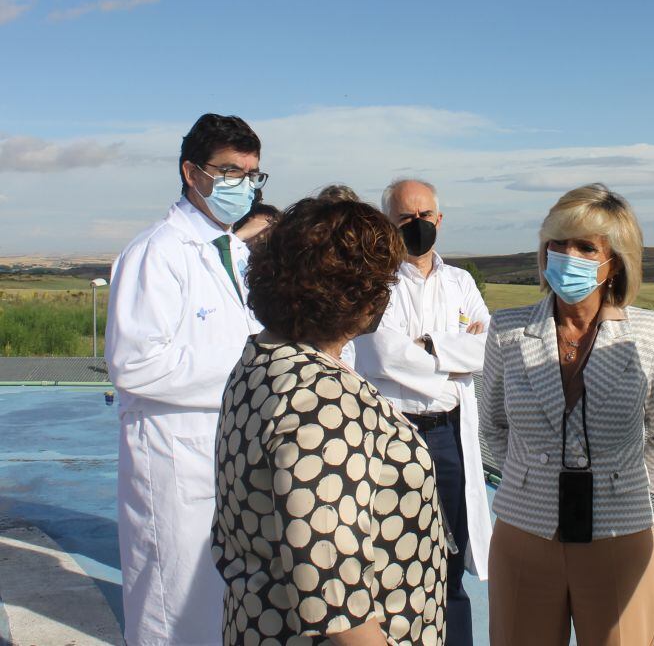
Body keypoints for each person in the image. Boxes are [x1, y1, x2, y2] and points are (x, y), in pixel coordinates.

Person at [212, 197, 447, 646]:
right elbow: (334, 589)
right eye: (382, 283)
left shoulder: (262, 361)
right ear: (358, 293)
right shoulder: (322, 401)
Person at [480, 184, 654, 645]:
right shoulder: (507, 331)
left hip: (620, 534)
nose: (565, 254)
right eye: (556, 242)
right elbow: (492, 426)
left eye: (584, 246)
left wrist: (619, 483)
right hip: (524, 534)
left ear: (613, 261)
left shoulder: (651, 333)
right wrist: (529, 478)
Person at [105, 113, 267, 644]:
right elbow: (135, 364)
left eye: (252, 175)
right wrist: (249, 367)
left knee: (220, 604)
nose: (243, 186)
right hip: (175, 462)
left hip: (226, 456)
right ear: (192, 173)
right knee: (171, 607)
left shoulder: (236, 253)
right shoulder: (156, 252)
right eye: (230, 173)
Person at [351, 178, 491, 646]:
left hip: (448, 435)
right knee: (392, 549)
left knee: (451, 557)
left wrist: (427, 346)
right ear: (389, 224)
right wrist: (453, 361)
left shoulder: (461, 282)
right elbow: (381, 357)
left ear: (439, 219)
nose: (417, 225)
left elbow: (487, 348)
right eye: (405, 218)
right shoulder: (377, 282)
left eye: (424, 216)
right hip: (392, 433)